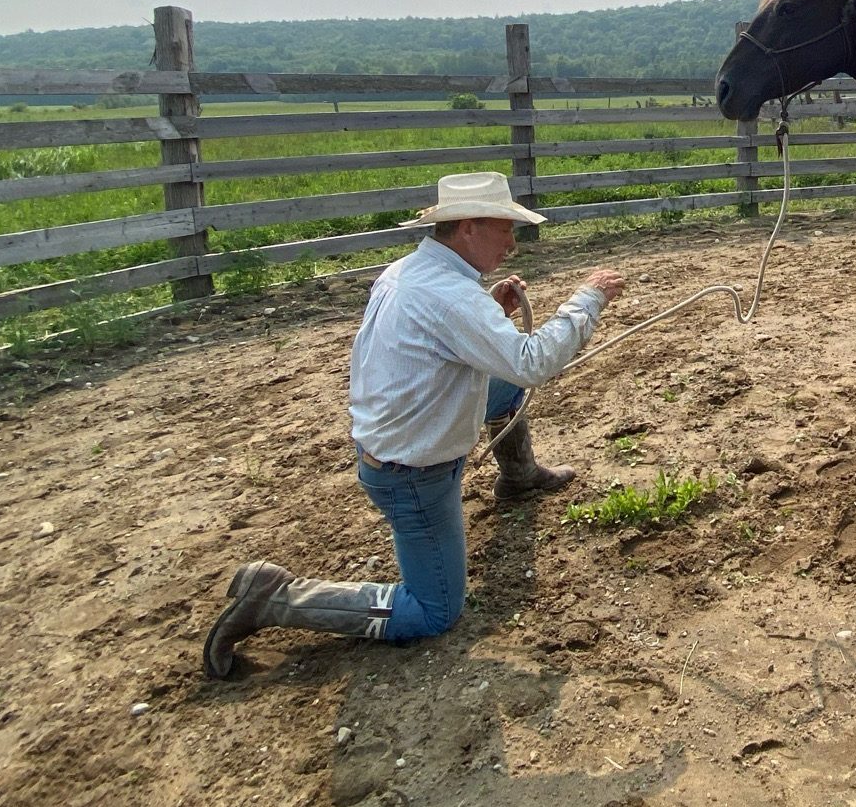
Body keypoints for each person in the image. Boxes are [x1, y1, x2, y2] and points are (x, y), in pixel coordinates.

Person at [202, 172, 624, 678]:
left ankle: (519, 475)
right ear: (467, 228)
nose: (513, 242)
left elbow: (435, 346)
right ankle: (276, 598)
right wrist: (588, 299)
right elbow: (533, 361)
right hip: (411, 470)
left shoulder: (410, 272)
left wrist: (489, 314)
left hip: (396, 435)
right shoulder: (449, 295)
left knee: (504, 384)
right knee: (433, 610)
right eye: (505, 228)